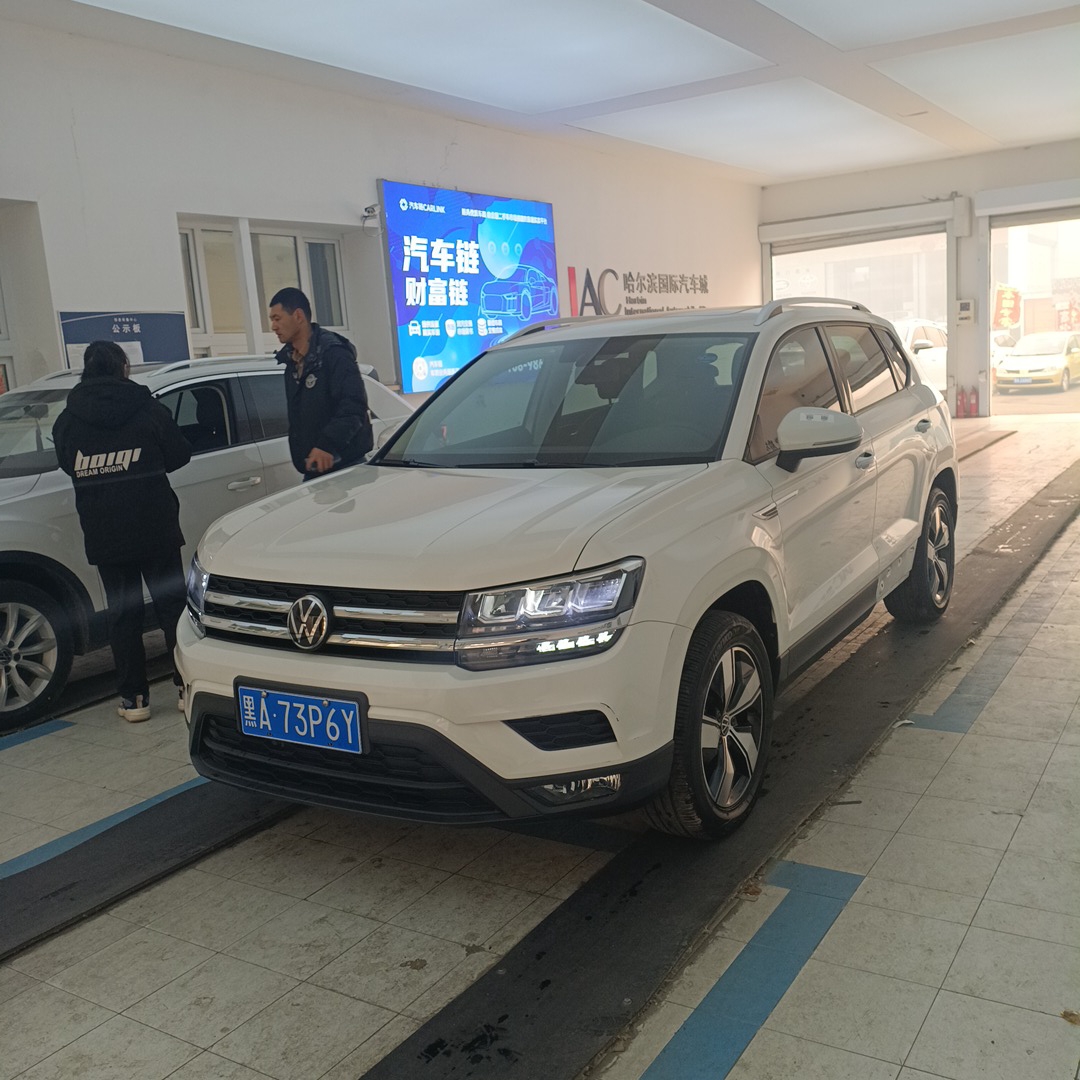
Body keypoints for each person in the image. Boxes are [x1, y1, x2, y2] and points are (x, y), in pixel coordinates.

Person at [54, 341, 192, 722]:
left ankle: (135, 700)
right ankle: (186, 687)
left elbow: (67, 463)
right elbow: (180, 454)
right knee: (171, 607)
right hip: (155, 526)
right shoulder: (147, 408)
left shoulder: (68, 419)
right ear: (123, 367)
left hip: (106, 532)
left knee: (122, 614)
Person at [268, 287, 373, 479]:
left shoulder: (333, 353)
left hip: (346, 467)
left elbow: (354, 406)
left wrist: (327, 445)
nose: (273, 326)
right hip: (313, 468)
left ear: (298, 316)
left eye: (277, 318)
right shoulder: (291, 363)